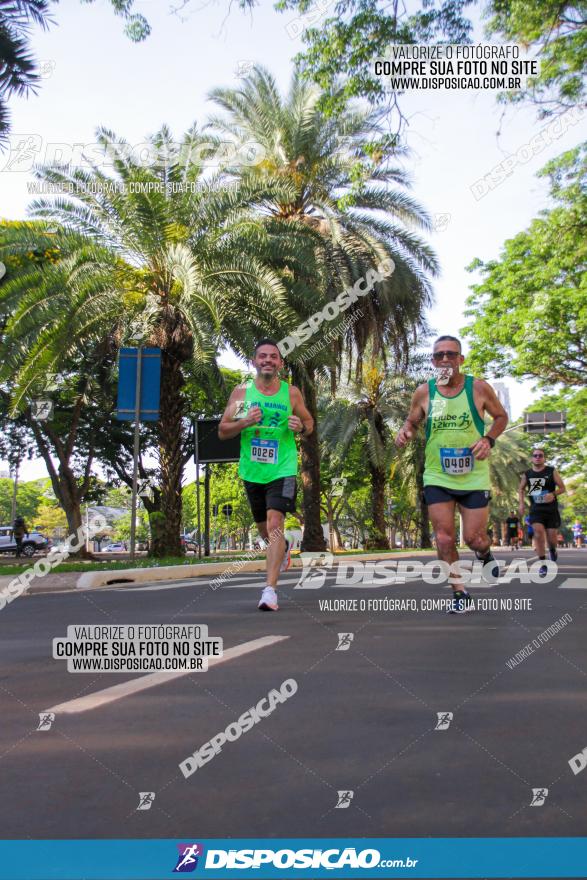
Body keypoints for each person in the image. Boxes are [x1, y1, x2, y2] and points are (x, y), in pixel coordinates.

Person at [396, 335, 508, 613]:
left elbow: (501, 417)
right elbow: (412, 420)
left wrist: (488, 439)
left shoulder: (479, 388)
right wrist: (406, 431)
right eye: (438, 355)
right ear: (433, 361)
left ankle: (484, 552)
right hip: (438, 475)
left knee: (474, 538)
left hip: (474, 476)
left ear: (461, 359)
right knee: (444, 538)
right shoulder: (424, 392)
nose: (444, 359)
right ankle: (460, 593)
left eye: (450, 354)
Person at [219, 339, 313, 611]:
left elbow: (308, 423)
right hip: (252, 470)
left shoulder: (291, 394)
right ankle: (281, 547)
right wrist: (245, 421)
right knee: (265, 529)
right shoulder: (243, 394)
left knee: (274, 523)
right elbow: (223, 430)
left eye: (273, 356)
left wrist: (301, 427)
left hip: (282, 468)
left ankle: (269, 590)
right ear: (254, 361)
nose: (268, 360)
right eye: (263, 356)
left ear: (280, 363)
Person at [519, 448, 566, 578]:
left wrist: (553, 493)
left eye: (540, 455)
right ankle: (543, 564)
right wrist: (521, 504)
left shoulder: (551, 471)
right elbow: (521, 489)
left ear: (544, 458)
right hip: (536, 510)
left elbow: (562, 488)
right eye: (535, 455)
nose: (538, 457)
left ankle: (552, 549)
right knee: (538, 533)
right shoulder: (528, 474)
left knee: (551, 539)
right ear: (532, 458)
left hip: (551, 510)